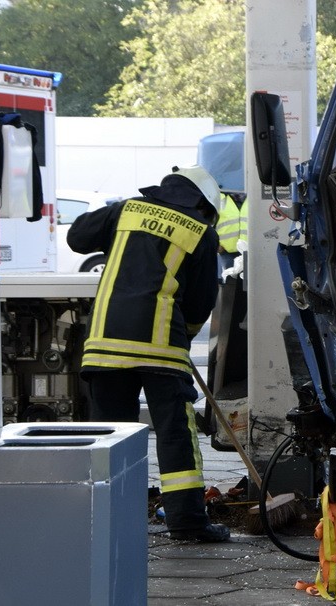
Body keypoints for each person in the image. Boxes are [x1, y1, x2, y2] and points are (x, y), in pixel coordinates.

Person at [68, 165, 229, 543]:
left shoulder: (126, 210)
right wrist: (184, 337)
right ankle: (187, 523)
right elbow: (201, 302)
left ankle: (105, 517)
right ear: (204, 205)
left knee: (110, 436)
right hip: (161, 348)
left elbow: (76, 237)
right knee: (175, 433)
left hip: (105, 345)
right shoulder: (200, 232)